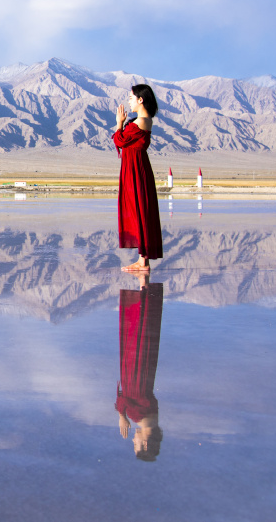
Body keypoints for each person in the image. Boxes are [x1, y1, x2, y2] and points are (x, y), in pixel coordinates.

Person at [113, 84, 164, 272]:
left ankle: (143, 261)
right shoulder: (138, 121)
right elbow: (122, 141)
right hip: (132, 168)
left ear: (140, 99)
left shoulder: (142, 121)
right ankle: (142, 260)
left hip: (136, 170)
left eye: (131, 97)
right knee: (137, 210)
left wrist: (119, 123)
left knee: (140, 209)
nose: (129, 100)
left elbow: (120, 140)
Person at [116, 274, 164, 461]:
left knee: (143, 332)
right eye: (135, 444)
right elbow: (123, 401)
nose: (133, 439)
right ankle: (143, 286)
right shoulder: (138, 417)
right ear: (145, 443)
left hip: (143, 373)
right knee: (135, 333)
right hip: (134, 374)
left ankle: (145, 286)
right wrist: (122, 416)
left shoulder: (153, 419)